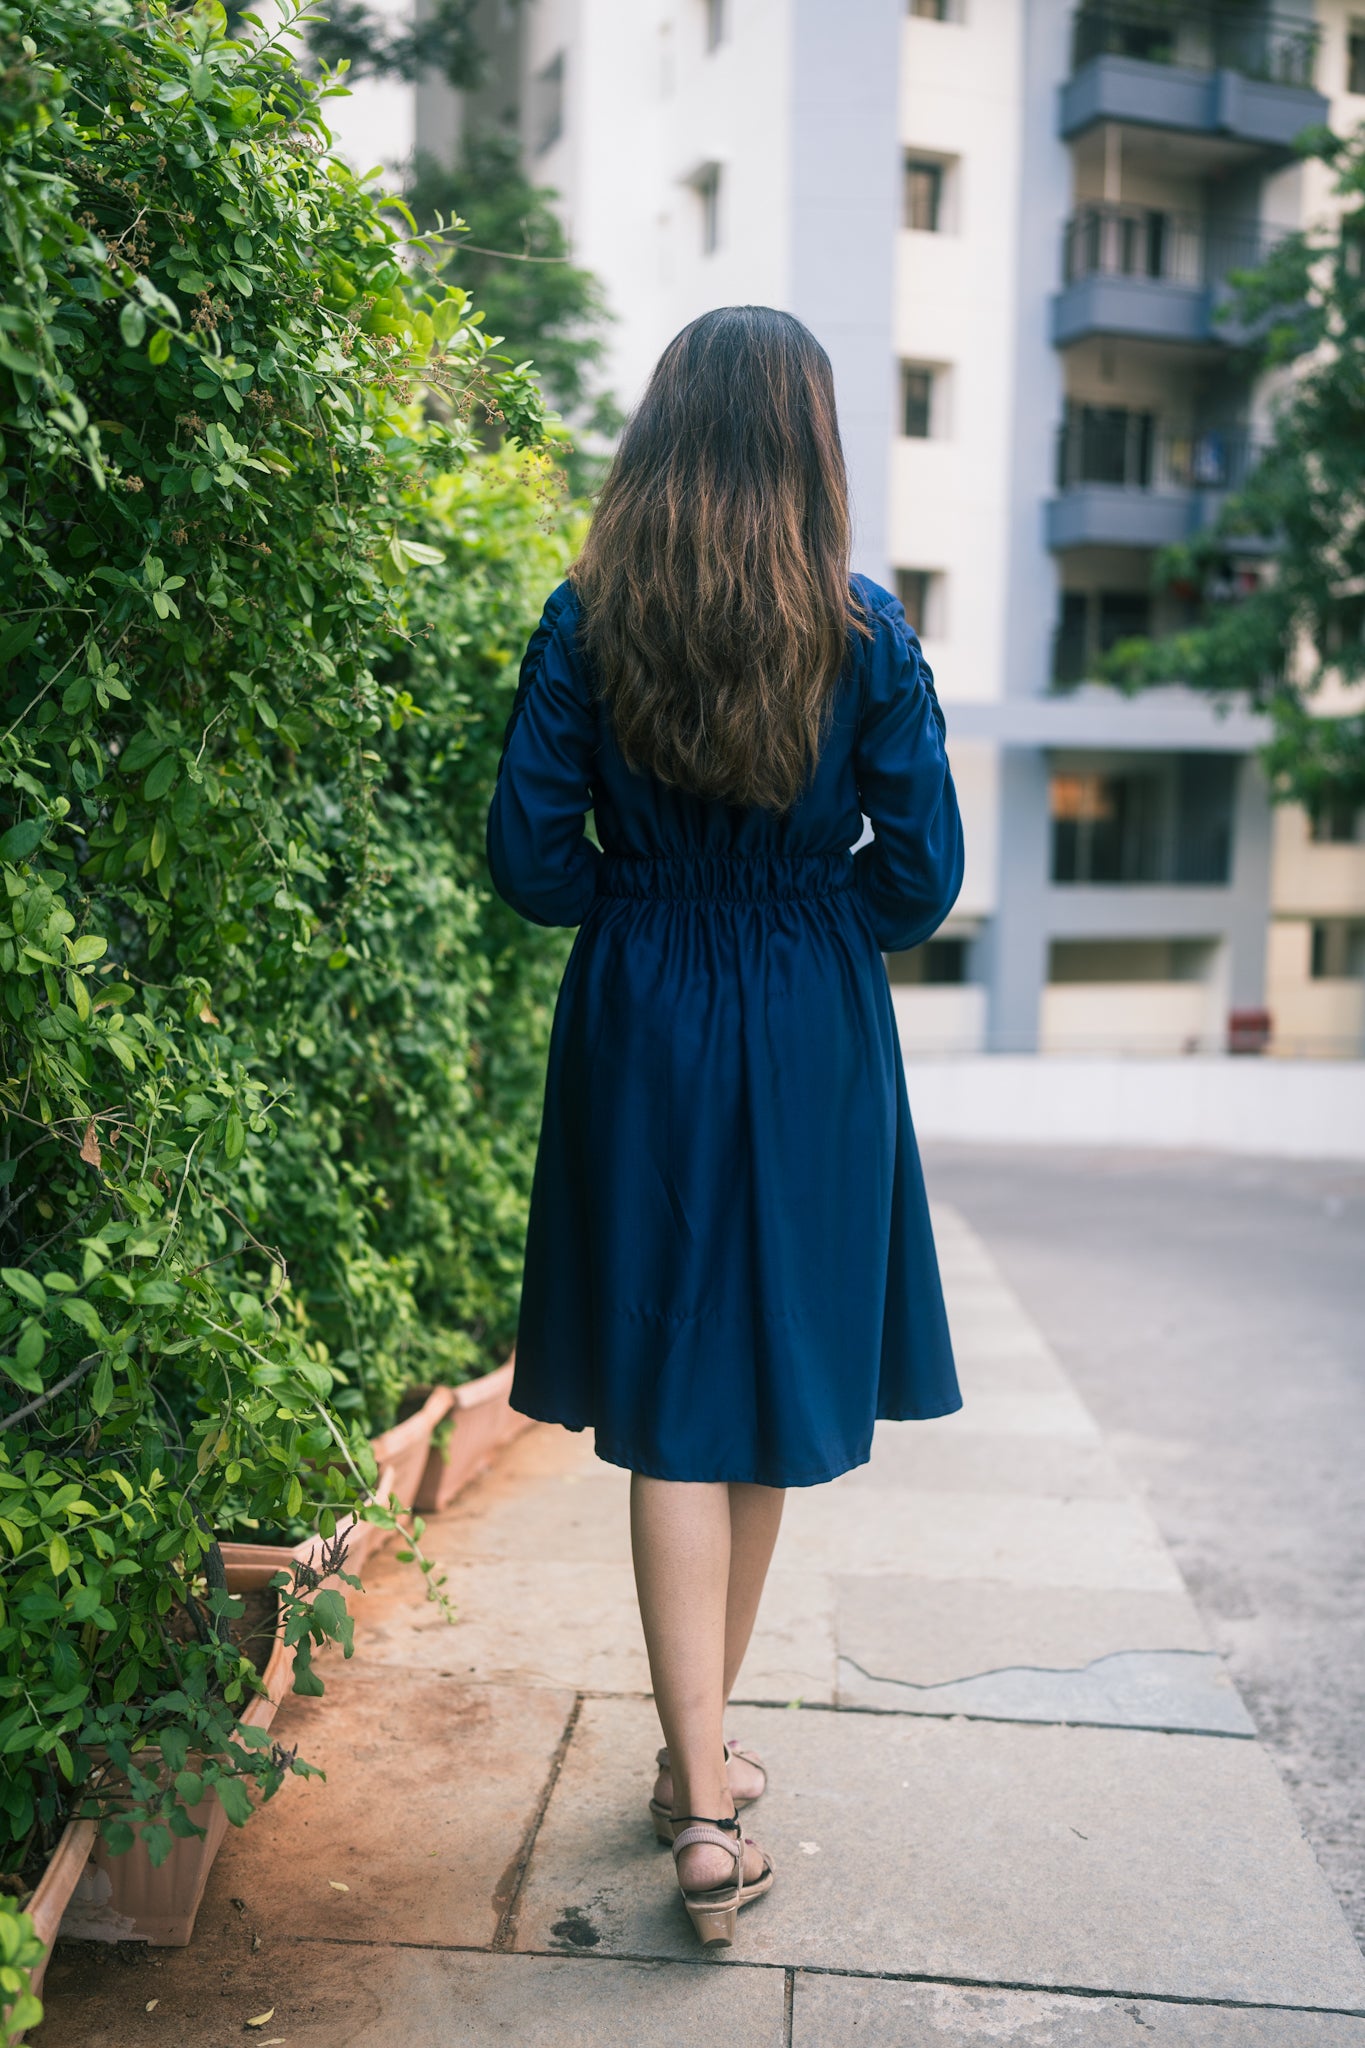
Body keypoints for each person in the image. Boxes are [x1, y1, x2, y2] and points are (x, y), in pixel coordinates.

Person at [486, 304, 964, 1949]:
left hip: (643, 1009)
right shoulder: (864, 632)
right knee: (752, 1385)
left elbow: (536, 868)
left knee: (689, 1385)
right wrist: (794, 904)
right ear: (808, 443)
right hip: (807, 1007)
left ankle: (697, 1762)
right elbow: (917, 883)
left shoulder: (585, 622)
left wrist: (655, 901)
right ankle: (703, 1799)